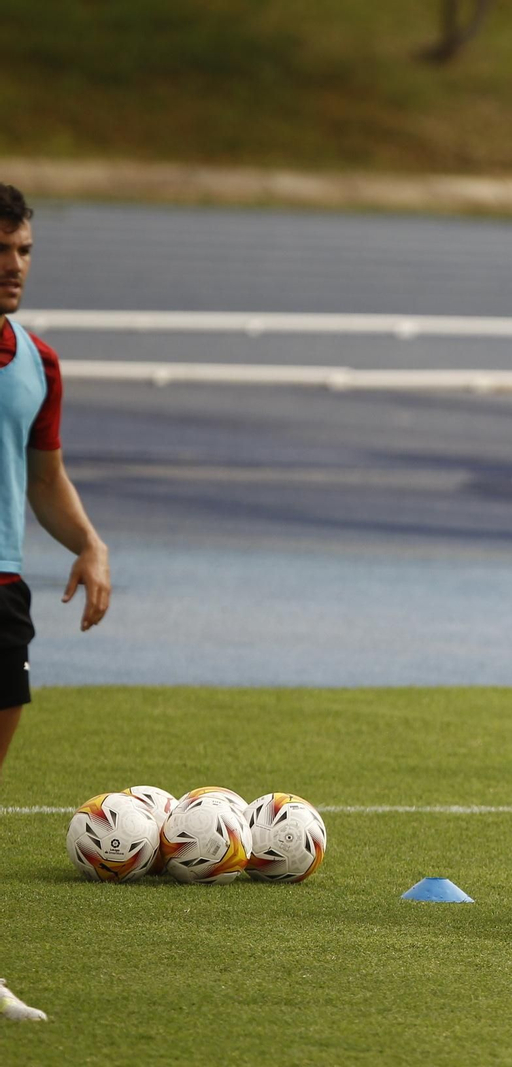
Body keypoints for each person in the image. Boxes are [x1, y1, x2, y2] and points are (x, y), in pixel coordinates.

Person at [0, 183, 113, 1022]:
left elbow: (44, 480)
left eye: (24, 251)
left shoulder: (38, 360)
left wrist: (89, 543)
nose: (14, 266)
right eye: (0, 251)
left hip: (4, 590)